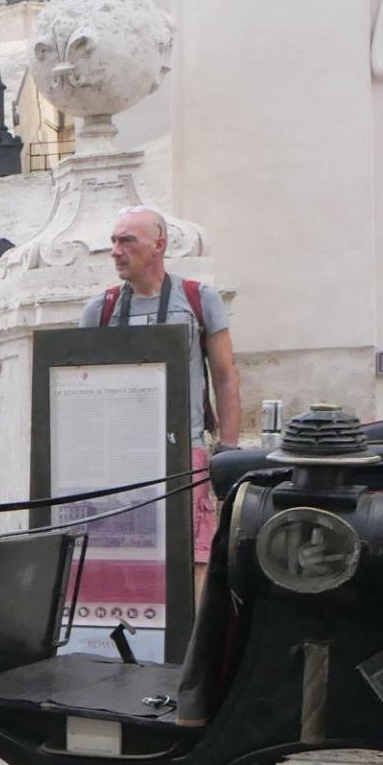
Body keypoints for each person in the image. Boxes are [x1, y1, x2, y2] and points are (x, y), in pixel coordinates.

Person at [85, 207, 243, 571]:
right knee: (126, 554)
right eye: (113, 241)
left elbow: (225, 374)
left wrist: (229, 452)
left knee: (194, 555)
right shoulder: (101, 308)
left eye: (127, 241)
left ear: (159, 245)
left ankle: (191, 629)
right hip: (119, 454)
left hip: (185, 450)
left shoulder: (198, 299)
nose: (115, 251)